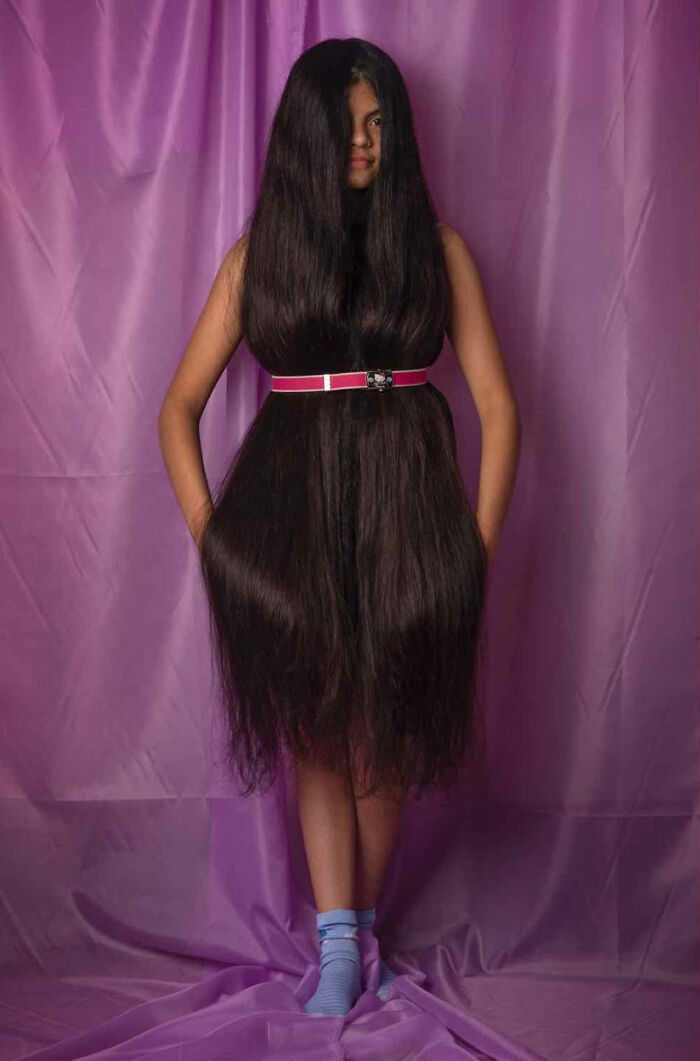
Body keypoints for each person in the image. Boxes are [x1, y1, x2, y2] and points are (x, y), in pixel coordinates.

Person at [158, 38, 520, 1018]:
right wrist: (216, 544)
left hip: (410, 520)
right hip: (295, 526)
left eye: (377, 122)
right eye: (345, 123)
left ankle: (358, 927)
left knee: (388, 730)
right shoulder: (258, 259)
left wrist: (474, 553)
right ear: (304, 135)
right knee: (317, 729)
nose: (363, 140)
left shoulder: (440, 253)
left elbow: (498, 404)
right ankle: (338, 944)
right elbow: (177, 407)